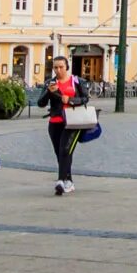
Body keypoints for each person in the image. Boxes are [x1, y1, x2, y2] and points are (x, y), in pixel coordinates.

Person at [37, 56, 89, 196]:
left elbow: (85, 98)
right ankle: (69, 181)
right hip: (55, 121)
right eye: (55, 67)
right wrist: (48, 91)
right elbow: (40, 103)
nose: (58, 70)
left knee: (65, 150)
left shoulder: (77, 81)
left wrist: (70, 100)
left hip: (72, 122)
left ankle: (60, 181)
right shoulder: (50, 82)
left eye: (61, 67)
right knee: (59, 153)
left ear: (67, 67)